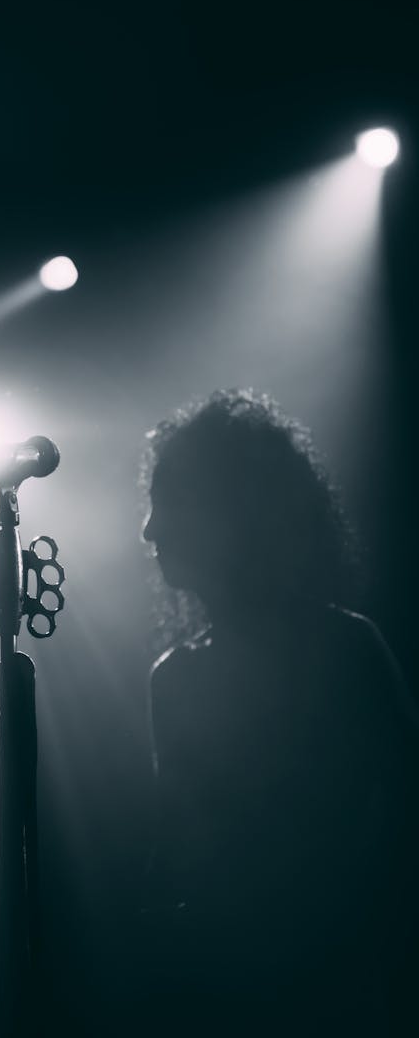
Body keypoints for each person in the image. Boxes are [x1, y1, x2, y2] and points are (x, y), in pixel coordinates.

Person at [140, 389, 418, 1036]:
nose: (149, 529)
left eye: (168, 501)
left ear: (229, 509)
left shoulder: (347, 650)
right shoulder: (174, 679)